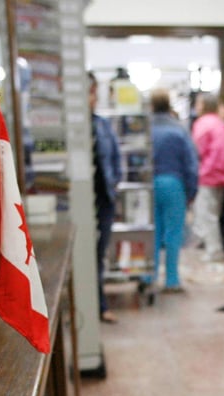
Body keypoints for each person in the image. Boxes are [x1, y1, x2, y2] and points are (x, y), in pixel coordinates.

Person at [150, 87, 198, 293]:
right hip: (174, 184)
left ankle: (148, 275)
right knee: (174, 232)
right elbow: (191, 165)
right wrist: (191, 192)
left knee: (153, 231)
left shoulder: (146, 129)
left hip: (149, 184)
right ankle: (171, 279)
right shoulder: (179, 130)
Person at [88, 72, 123, 323]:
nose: (93, 98)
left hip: (103, 201)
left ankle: (99, 305)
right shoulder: (77, 127)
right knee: (86, 255)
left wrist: (113, 184)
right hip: (81, 203)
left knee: (98, 254)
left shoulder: (102, 125)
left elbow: (115, 159)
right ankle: (91, 305)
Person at [190, 92, 224, 262]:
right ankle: (211, 246)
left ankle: (213, 250)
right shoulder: (221, 124)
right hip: (222, 174)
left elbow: (196, 150)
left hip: (207, 174)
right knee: (214, 213)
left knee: (206, 214)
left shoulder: (203, 124)